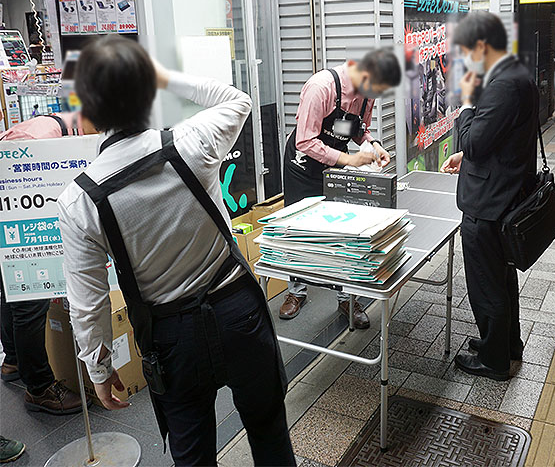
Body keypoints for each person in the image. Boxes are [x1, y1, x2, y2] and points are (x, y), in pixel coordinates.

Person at [57, 36, 294, 466]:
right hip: (238, 311)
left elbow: (87, 302)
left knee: (192, 456)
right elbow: (236, 99)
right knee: (269, 431)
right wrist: (166, 76)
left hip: (170, 339)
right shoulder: (192, 142)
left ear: (87, 110)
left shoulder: (79, 201)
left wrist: (99, 367)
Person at [440, 13, 537, 381]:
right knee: (501, 277)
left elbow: (475, 141)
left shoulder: (501, 85)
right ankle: (506, 344)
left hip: (489, 203)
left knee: (486, 282)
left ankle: (495, 361)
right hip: (505, 193)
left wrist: (465, 104)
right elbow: (504, 139)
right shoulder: (517, 73)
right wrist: (466, 155)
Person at [279, 50, 401, 326]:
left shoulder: (366, 93)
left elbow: (358, 129)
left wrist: (374, 145)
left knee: (343, 231)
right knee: (298, 231)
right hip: (304, 167)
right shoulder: (321, 87)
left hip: (335, 167)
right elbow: (305, 141)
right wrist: (349, 159)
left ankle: (347, 298)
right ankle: (296, 292)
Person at [0, 111, 93, 415]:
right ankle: (39, 388)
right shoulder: (39, 140)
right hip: (16, 227)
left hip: (10, 224)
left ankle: (13, 360)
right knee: (29, 300)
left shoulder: (58, 129)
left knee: (11, 292)